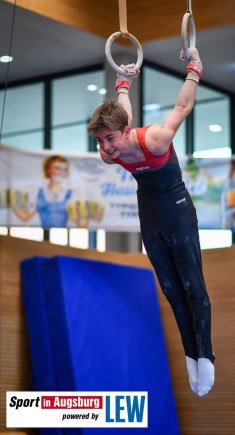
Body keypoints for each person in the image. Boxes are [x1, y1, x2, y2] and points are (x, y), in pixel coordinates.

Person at [88, 48, 215, 397]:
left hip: (176, 206)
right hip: (150, 210)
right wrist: (123, 84)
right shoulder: (110, 147)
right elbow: (121, 113)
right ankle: (191, 355)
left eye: (109, 139)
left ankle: (206, 354)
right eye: (99, 141)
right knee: (171, 290)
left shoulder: (155, 140)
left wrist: (194, 69)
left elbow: (182, 108)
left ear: (127, 133)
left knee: (191, 284)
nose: (106, 148)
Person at [12, 155, 73, 228]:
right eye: (58, 168)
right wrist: (12, 201)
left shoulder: (71, 194)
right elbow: (26, 217)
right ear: (48, 170)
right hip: (44, 235)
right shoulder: (39, 193)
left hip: (63, 235)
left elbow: (79, 223)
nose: (61, 172)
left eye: (65, 169)